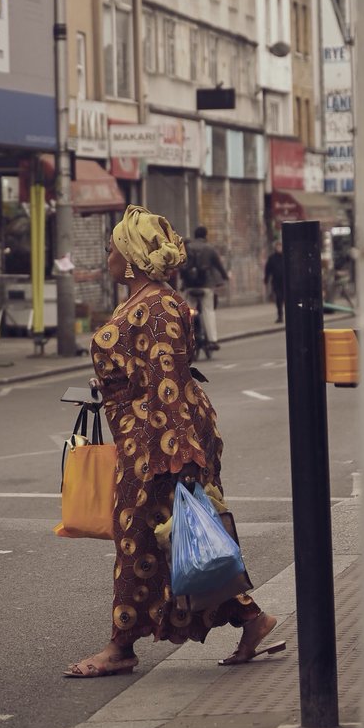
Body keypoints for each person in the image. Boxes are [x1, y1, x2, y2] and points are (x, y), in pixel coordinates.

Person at [64, 205, 284, 678]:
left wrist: (181, 458)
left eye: (112, 247)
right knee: (170, 539)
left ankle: (121, 647)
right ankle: (251, 618)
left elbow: (169, 382)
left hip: (159, 441)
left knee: (148, 539)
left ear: (131, 255)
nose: (106, 253)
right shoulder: (142, 300)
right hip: (142, 436)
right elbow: (143, 373)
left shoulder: (159, 306)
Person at [180, 225, 230, 350]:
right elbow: (218, 266)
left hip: (189, 286)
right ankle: (212, 340)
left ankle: (186, 339)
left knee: (188, 312)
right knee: (208, 310)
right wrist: (225, 278)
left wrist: (183, 283)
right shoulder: (209, 248)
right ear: (205, 235)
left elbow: (182, 266)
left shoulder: (187, 248)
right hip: (206, 285)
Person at [264, 239, 285, 323]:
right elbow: (267, 269)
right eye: (277, 246)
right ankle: (280, 316)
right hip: (276, 281)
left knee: (286, 299)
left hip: (285, 282)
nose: (279, 248)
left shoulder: (286, 257)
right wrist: (266, 279)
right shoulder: (272, 258)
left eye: (280, 246)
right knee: (279, 299)